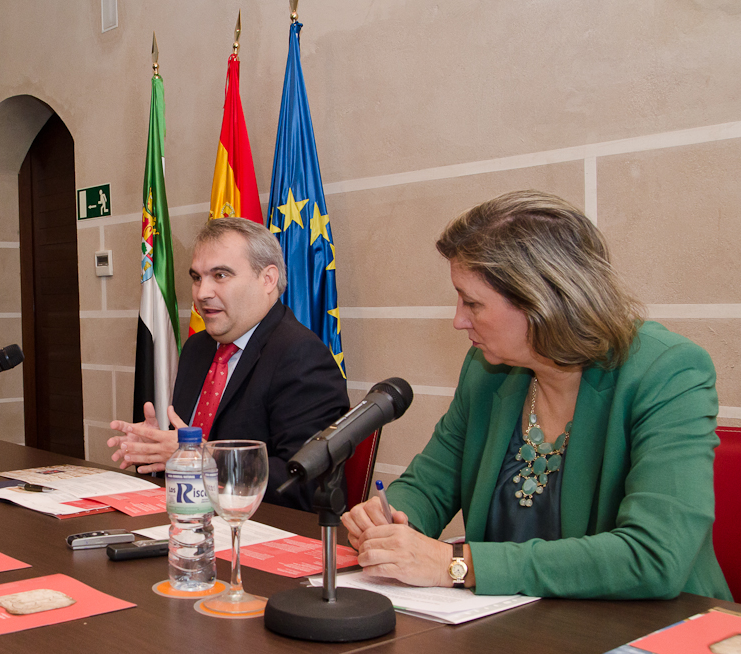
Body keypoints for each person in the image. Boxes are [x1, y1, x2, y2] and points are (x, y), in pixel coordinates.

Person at [342, 191, 731, 600]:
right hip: (515, 629)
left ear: (544, 301)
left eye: (473, 303)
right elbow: (429, 486)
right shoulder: (487, 370)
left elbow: (655, 556)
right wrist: (387, 520)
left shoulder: (667, 371)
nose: (459, 320)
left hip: (650, 637)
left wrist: (456, 565)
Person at [108, 217, 350, 511]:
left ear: (268, 279)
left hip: (259, 534)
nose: (201, 293)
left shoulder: (302, 356)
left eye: (220, 276)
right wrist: (157, 451)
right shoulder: (198, 349)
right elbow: (186, 452)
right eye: (197, 277)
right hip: (190, 520)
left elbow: (303, 482)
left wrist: (201, 459)